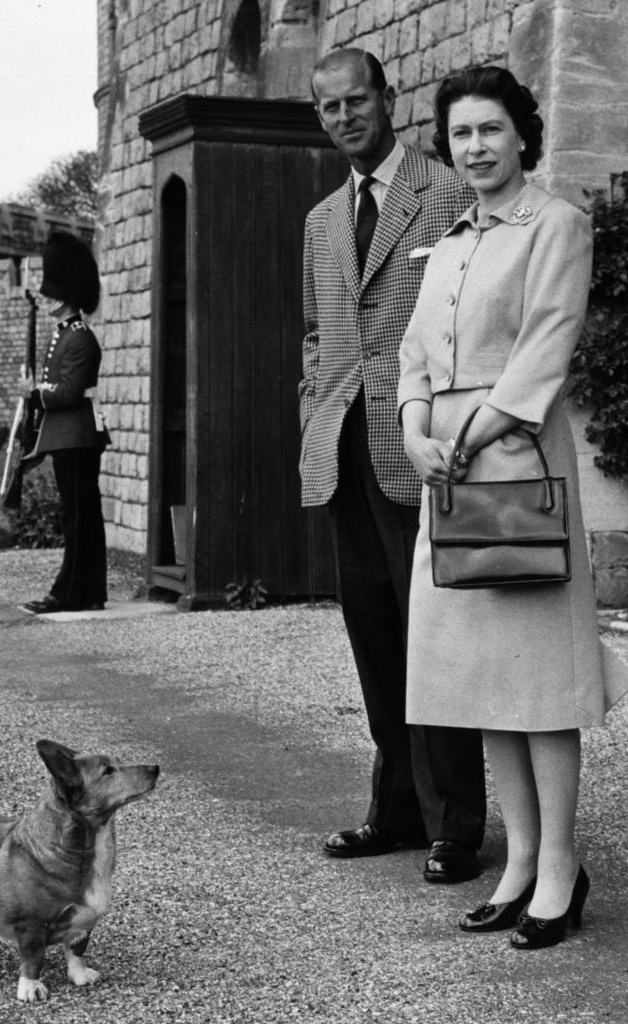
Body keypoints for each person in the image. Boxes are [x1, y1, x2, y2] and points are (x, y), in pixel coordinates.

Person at [398, 65, 619, 948]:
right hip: (447, 474)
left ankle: (561, 867)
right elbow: (415, 352)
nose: (477, 147)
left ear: (523, 134)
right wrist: (417, 428)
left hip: (516, 461)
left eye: (491, 129)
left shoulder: (556, 224)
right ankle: (521, 862)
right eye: (460, 134)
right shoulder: (447, 242)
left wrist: (476, 431)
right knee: (486, 680)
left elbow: (545, 346)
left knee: (541, 681)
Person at [299, 47, 486, 883]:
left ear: (388, 97)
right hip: (344, 451)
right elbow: (318, 334)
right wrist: (314, 405)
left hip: (422, 449)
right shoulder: (321, 220)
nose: (345, 117)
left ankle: (457, 825)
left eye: (356, 101)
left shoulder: (447, 192)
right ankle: (398, 811)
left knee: (436, 639)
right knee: (374, 636)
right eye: (330, 108)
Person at [21, 230, 108, 615]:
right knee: (79, 514)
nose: (48, 296)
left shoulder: (79, 338)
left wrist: (34, 393)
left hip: (76, 435)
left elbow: (69, 392)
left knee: (79, 517)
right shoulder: (63, 335)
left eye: (55, 290)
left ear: (70, 292)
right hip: (65, 435)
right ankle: (88, 591)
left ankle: (70, 592)